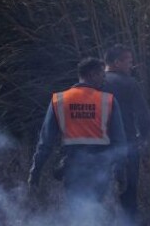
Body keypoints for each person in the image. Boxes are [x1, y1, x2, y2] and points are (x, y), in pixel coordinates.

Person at [28, 57, 127, 211]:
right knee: (96, 211)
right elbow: (119, 142)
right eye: (102, 75)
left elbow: (45, 142)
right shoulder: (108, 100)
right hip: (100, 169)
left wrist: (35, 172)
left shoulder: (59, 100)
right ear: (92, 74)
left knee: (76, 212)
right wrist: (120, 174)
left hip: (72, 169)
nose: (104, 79)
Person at [102, 44, 150, 226]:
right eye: (129, 62)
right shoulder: (129, 83)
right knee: (128, 197)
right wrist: (143, 139)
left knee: (98, 196)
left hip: (97, 147)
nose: (132, 66)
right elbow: (144, 116)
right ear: (117, 62)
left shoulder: (93, 83)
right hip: (127, 147)